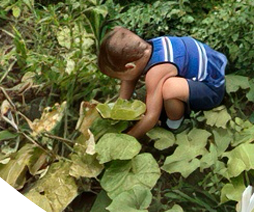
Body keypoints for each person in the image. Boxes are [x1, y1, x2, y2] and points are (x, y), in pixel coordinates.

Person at [97, 27, 227, 139]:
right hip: (213, 67)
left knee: (169, 88)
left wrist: (127, 137)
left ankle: (175, 123)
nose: (122, 81)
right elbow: (129, 77)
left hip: (212, 89)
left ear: (130, 67)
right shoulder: (149, 47)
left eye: (119, 77)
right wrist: (120, 105)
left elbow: (152, 117)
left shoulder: (157, 71)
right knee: (163, 86)